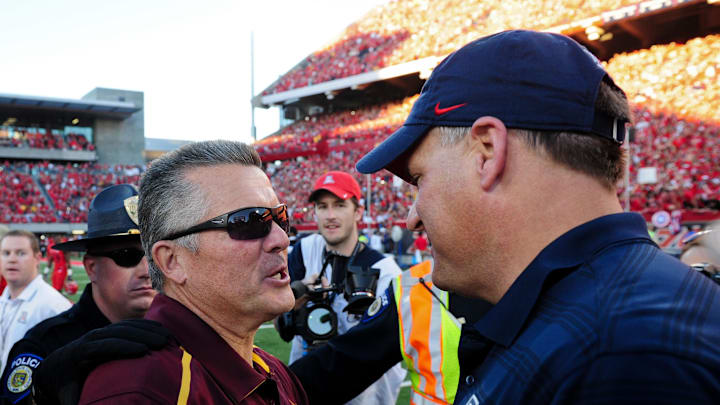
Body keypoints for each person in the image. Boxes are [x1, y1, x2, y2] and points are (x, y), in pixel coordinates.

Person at [356, 29, 720, 403]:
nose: (411, 218)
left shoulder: (620, 356)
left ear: (486, 151)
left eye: (419, 178)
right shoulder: (601, 318)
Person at [78, 140, 308, 404]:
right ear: (172, 261)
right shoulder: (139, 391)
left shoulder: (274, 372)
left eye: (280, 218)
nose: (281, 239)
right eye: (248, 221)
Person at [0, 184, 156, 404]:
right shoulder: (43, 346)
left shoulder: (179, 332)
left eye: (153, 257)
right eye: (126, 255)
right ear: (92, 268)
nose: (147, 271)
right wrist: (42, 391)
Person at [285, 170, 405, 405]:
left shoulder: (385, 270)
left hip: (365, 397)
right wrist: (296, 297)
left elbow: (373, 350)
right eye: (322, 206)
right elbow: (284, 328)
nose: (330, 215)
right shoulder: (304, 250)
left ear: (358, 211)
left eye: (340, 205)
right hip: (303, 389)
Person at [0, 231, 71, 373]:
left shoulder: (54, 306)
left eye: (21, 253)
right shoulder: (4, 300)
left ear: (37, 258)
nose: (12, 259)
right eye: (6, 253)